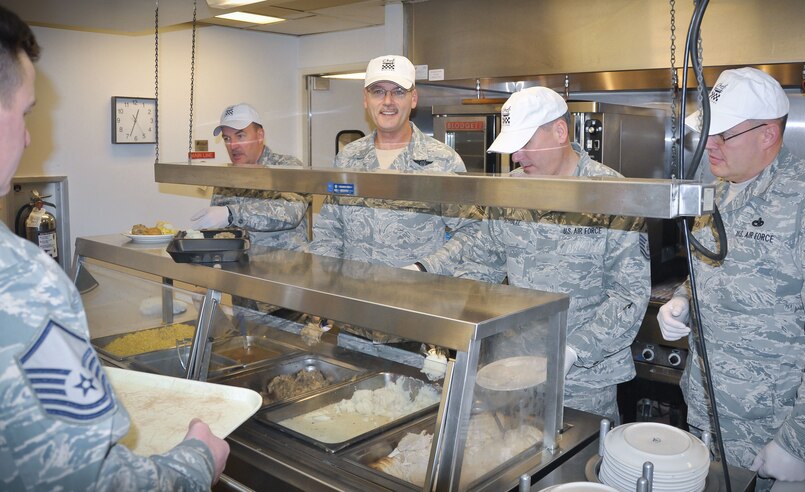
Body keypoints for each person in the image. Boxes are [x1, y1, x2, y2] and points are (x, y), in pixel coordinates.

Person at [0, 6, 230, 490]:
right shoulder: (21, 279)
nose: (26, 136)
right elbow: (86, 480)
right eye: (23, 113)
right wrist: (197, 461)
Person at [656, 67, 805, 487]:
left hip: (770, 432)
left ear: (768, 135)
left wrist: (798, 443)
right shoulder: (715, 191)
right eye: (708, 134)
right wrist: (684, 298)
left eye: (724, 135)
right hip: (704, 413)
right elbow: (711, 266)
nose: (711, 147)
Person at [416, 87, 651, 423]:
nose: (516, 157)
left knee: (575, 465)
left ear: (559, 131)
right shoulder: (510, 190)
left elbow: (629, 295)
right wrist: (455, 318)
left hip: (585, 379)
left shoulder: (612, 193)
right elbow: (483, 263)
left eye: (525, 144)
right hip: (512, 371)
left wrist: (573, 350)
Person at [309, 55, 482, 342]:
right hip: (354, 319)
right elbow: (330, 230)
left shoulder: (441, 160)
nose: (387, 101)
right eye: (378, 91)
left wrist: (424, 268)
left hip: (417, 320)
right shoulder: (349, 157)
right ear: (366, 99)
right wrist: (321, 290)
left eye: (398, 92)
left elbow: (473, 233)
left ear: (413, 98)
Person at [190, 103, 310, 252]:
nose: (232, 145)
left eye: (240, 136)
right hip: (239, 266)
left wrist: (231, 214)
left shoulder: (287, 167)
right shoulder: (226, 177)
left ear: (260, 135)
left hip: (284, 268)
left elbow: (290, 213)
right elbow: (221, 229)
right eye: (227, 138)